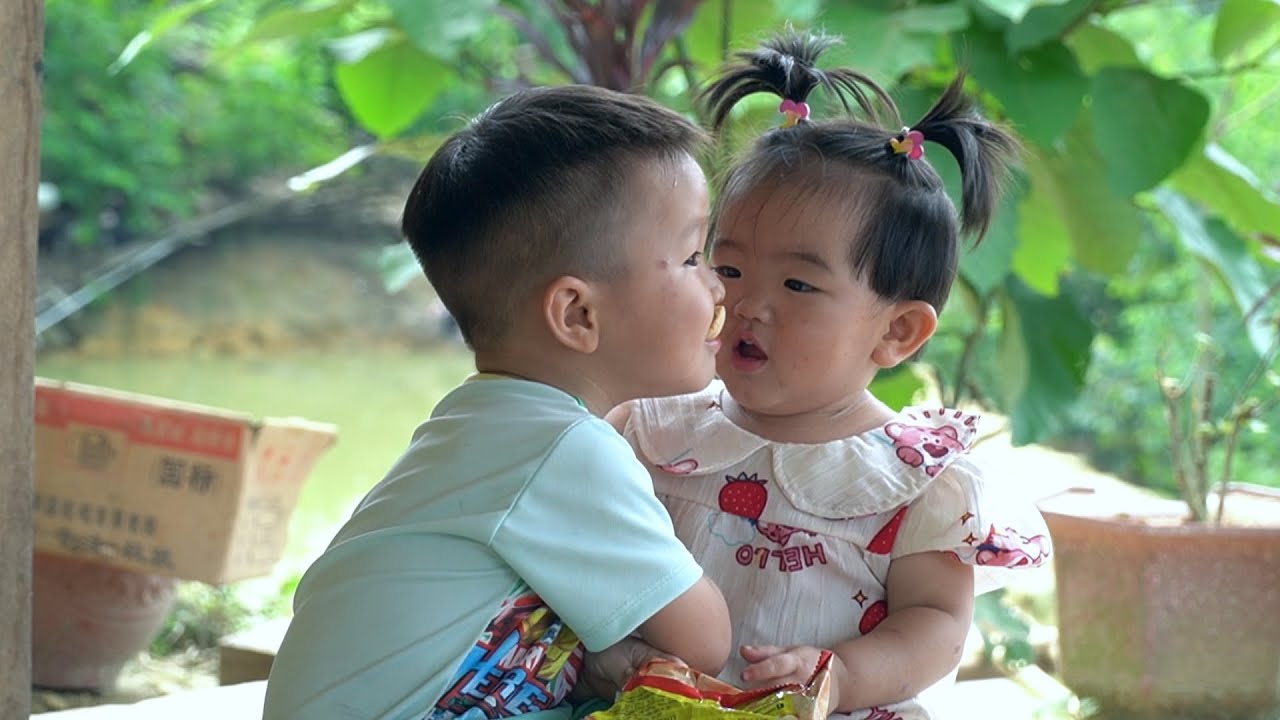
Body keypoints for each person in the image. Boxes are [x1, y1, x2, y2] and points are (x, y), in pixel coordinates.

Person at [606, 32, 1053, 720]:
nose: (747, 304)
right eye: (729, 269)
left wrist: (840, 676)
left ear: (897, 332)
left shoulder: (918, 484)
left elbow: (935, 623)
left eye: (797, 284)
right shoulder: (651, 427)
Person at [263, 84, 733, 720]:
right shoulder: (565, 451)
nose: (717, 285)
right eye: (693, 257)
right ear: (577, 314)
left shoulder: (483, 423)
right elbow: (704, 643)